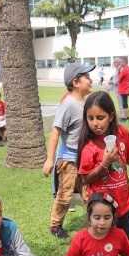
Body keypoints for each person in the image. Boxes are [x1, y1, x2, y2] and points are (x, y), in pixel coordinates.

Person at [78, 91, 129, 242]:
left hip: (123, 198)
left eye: (100, 118)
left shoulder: (122, 132)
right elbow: (85, 179)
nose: (95, 123)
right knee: (105, 240)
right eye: (90, 118)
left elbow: (128, 157)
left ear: (111, 116)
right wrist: (104, 164)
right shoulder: (89, 147)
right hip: (102, 204)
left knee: (127, 236)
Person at [43, 62, 94, 240]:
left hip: (84, 160)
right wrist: (50, 159)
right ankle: (55, 225)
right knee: (65, 195)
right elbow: (55, 131)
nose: (91, 80)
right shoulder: (68, 104)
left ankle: (94, 224)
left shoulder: (85, 102)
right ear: (75, 82)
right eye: (87, 77)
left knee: (90, 194)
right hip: (68, 160)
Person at [115, 57, 129, 122]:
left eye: (121, 62)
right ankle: (127, 117)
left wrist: (119, 73)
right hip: (126, 89)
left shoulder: (125, 70)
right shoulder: (128, 68)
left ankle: (125, 118)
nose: (120, 63)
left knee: (124, 104)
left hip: (123, 90)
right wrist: (119, 70)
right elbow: (119, 76)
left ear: (124, 62)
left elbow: (118, 79)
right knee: (125, 104)